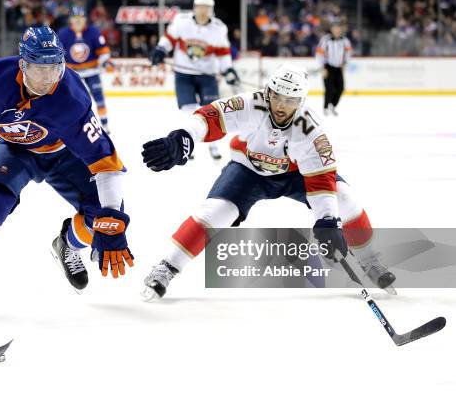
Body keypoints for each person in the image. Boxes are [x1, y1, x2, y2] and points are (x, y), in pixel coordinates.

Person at [0, 26, 134, 320]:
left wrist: (110, 216)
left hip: (64, 154)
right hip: (12, 150)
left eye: (53, 68)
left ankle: (68, 244)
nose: (47, 78)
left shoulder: (72, 98)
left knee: (103, 219)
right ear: (22, 64)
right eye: (39, 69)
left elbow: (105, 161)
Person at [140, 63, 395, 300]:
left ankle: (369, 259)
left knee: (345, 198)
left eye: (290, 100)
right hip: (248, 172)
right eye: (277, 96)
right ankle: (167, 267)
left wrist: (327, 221)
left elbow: (320, 178)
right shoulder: (251, 105)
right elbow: (211, 116)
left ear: (301, 101)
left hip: (296, 176)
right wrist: (184, 137)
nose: (281, 106)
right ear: (267, 92)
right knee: (215, 213)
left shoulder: (312, 130)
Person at [149, 0, 240, 161]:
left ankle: (212, 145)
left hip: (207, 75)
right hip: (183, 74)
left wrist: (228, 70)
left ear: (211, 10)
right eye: (200, 7)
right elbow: (169, 38)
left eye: (207, 8)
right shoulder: (181, 21)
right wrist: (161, 49)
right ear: (194, 8)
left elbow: (223, 54)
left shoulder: (219, 28)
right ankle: (189, 143)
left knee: (211, 111)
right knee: (189, 110)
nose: (203, 11)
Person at [58, 6, 113, 133]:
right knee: (70, 100)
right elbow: (58, 55)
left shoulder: (93, 32)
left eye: (80, 18)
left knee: (99, 98)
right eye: (75, 18)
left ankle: (105, 125)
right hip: (72, 74)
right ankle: (70, 126)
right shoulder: (63, 34)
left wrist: (102, 62)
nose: (78, 21)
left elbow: (104, 51)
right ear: (70, 19)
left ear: (85, 19)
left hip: (92, 71)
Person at [315, 21, 352, 116]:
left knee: (341, 88)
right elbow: (319, 54)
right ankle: (326, 107)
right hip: (328, 67)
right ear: (331, 29)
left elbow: (348, 53)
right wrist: (322, 67)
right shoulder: (325, 40)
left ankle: (333, 105)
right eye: (335, 28)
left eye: (338, 28)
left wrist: (345, 63)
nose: (337, 30)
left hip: (339, 67)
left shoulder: (345, 41)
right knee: (329, 88)